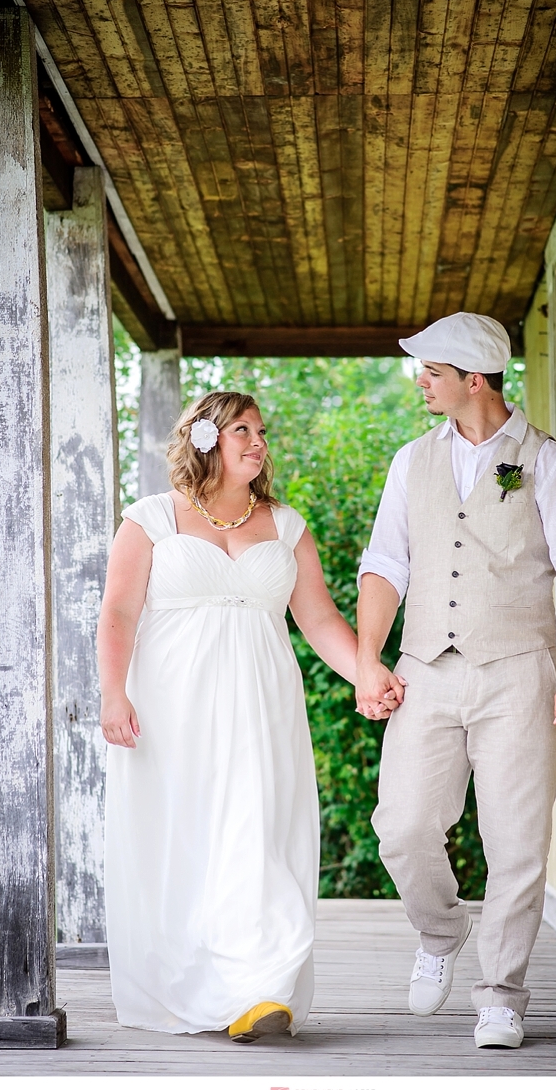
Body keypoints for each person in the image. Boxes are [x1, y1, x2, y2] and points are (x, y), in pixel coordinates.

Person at [355, 312, 556, 1049]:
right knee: (402, 825)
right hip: (425, 671)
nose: (421, 382)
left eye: (432, 371)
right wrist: (370, 658)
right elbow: (386, 563)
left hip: (520, 674)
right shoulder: (412, 462)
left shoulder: (547, 463)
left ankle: (501, 994)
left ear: (475, 380)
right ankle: (441, 932)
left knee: (517, 845)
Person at [98, 390, 377, 1043]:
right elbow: (118, 613)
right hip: (170, 709)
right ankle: (191, 986)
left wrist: (366, 672)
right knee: (182, 842)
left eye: (261, 431)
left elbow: (319, 619)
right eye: (242, 430)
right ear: (206, 440)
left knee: (258, 835)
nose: (258, 441)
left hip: (261, 708)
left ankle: (260, 989)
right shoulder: (150, 520)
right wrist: (113, 694)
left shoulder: (286, 526)